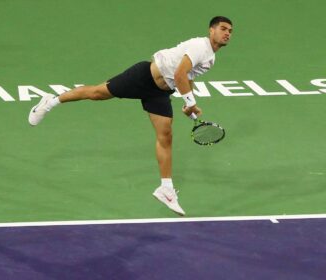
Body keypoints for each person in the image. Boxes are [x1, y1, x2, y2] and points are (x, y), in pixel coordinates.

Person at [28, 16, 233, 216]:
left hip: (160, 92)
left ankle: (166, 189)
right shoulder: (200, 47)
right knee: (96, 93)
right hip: (143, 77)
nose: (227, 34)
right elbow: (180, 73)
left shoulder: (210, 59)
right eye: (223, 29)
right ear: (211, 30)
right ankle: (50, 102)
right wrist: (190, 102)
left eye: (230, 31)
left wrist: (190, 104)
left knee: (166, 135)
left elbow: (186, 77)